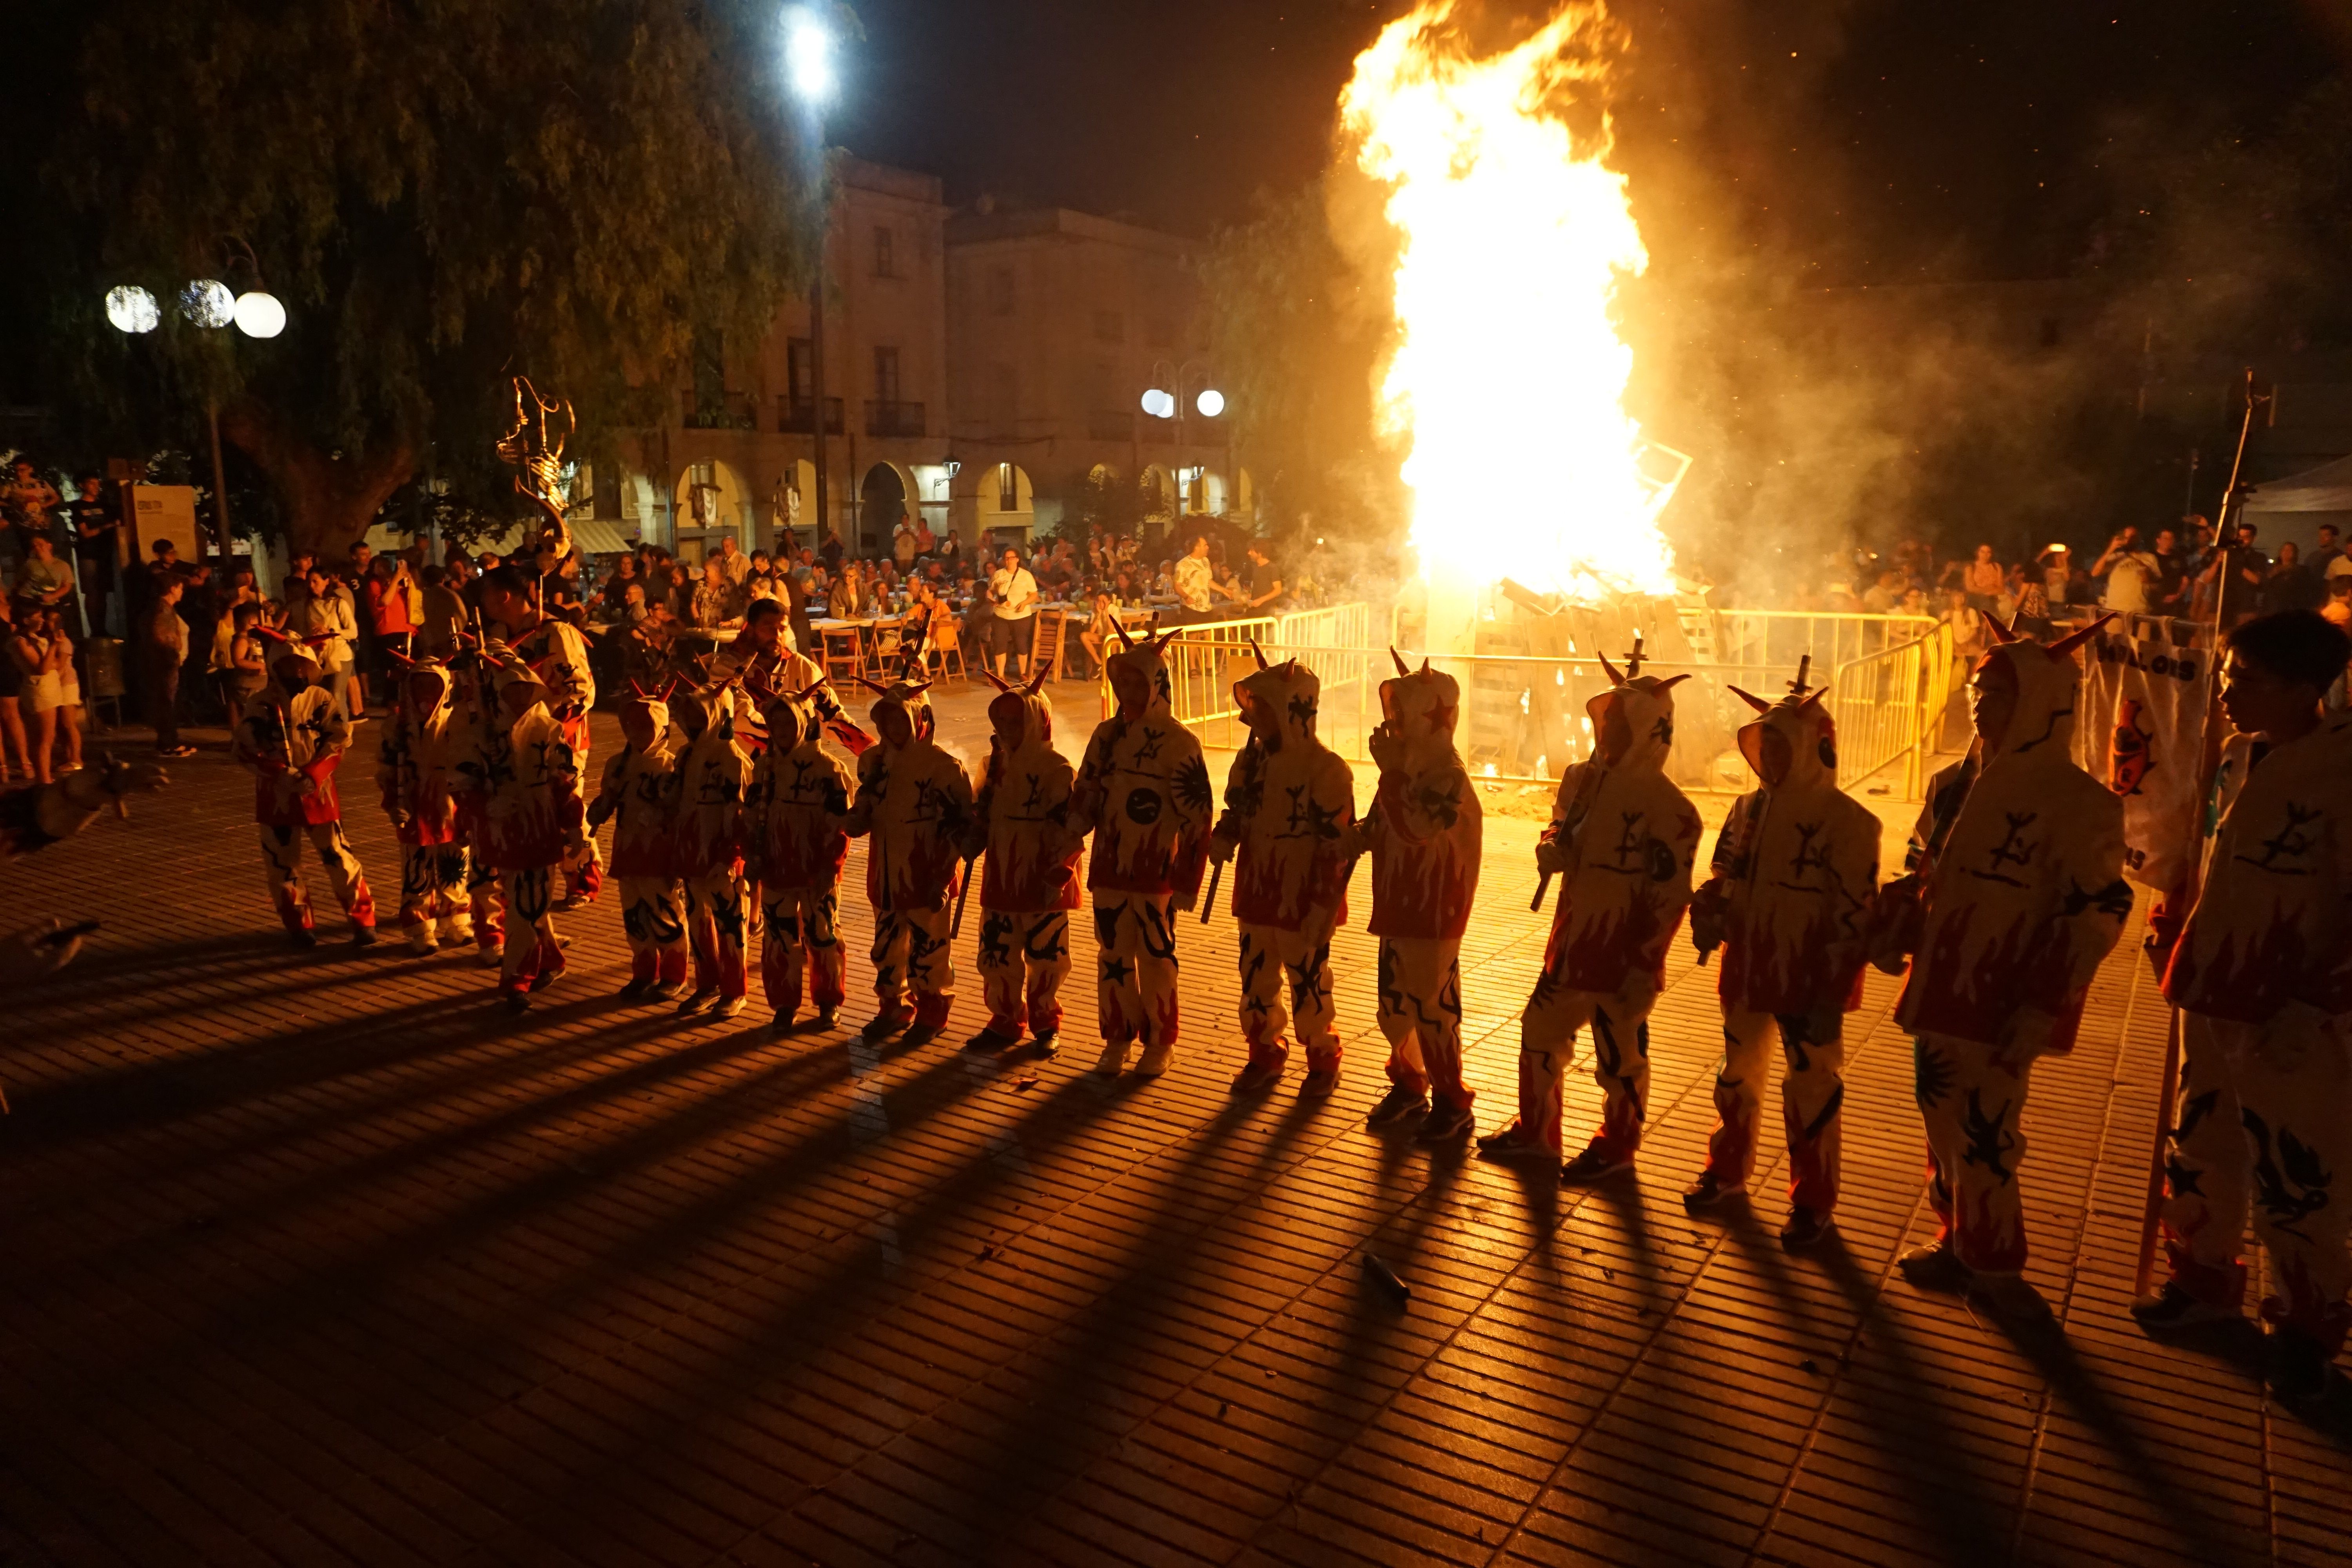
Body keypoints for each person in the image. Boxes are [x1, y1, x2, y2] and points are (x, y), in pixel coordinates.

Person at [1873, 615, 2127, 1322]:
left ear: (2045, 703)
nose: (1979, 705)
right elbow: (1922, 866)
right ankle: (1957, 1239)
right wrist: (1893, 924)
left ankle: (1998, 1265)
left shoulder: (2079, 803)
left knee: (1988, 1129)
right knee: (1941, 1117)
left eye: (1999, 695)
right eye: (1978, 690)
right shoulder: (1953, 782)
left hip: (2005, 993)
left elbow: (2097, 910)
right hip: (1939, 986)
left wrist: (2044, 1003)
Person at [2137, 610, 2352, 1403]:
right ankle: (2201, 1276)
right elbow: (2207, 855)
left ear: (2305, 689)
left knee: (2300, 1172)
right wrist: (2173, 921)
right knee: (2202, 1138)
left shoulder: (2341, 769)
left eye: (2247, 679)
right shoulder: (2236, 756)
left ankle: (2306, 1327)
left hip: (2297, 1011)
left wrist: (2316, 997)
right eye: (2227, 673)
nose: (2227, 691)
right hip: (2215, 986)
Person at [1479, 653, 1701, 1178]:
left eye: (1622, 724)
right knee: (1539, 1030)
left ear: (1652, 731)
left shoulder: (1673, 810)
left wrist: (1645, 964)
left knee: (1619, 1053)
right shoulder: (1582, 778)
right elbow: (1558, 826)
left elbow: (1670, 895)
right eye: (1606, 721)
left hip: (1621, 948)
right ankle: (1537, 1131)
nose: (1608, 733)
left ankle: (1617, 1146)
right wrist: (1550, 846)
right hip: (1573, 935)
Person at [1682, 672, 1879, 1249]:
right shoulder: (1746, 808)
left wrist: (1834, 989)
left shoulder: (1851, 823)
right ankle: (1726, 1170)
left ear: (1813, 746)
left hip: (1809, 973)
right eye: (1762, 745)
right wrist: (1712, 908)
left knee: (1812, 1086)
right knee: (1737, 1072)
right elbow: (1725, 873)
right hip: (1748, 963)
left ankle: (1814, 1200)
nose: (1768, 756)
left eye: (1780, 746)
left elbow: (1854, 915)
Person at [1209, 650, 1357, 1096]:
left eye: (1265, 710)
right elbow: (1238, 808)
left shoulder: (1327, 770)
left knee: (1309, 980)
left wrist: (1324, 904)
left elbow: (1339, 847)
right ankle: (1264, 1050)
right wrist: (1225, 834)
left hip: (1303, 896)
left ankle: (1323, 1056)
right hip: (1257, 888)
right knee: (1256, 977)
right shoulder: (1252, 762)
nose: (1254, 720)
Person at [1070, 623, 1212, 1077]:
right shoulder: (1106, 736)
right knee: (1112, 954)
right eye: (1123, 682)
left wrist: (1189, 878)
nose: (1129, 690)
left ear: (1158, 686)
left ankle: (1159, 1039)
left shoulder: (1179, 742)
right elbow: (1085, 794)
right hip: (1110, 864)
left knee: (1156, 955)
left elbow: (1198, 815)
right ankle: (1116, 1037)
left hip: (1157, 869)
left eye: (1138, 682)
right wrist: (1066, 845)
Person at [1352, 653, 1483, 1141]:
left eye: (1404, 714)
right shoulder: (1405, 768)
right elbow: (1384, 820)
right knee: (1394, 1005)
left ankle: (1452, 1098)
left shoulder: (1450, 776)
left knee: (1434, 1006)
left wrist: (1390, 775)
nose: (1394, 724)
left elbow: (1419, 828)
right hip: (1398, 905)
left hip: (1434, 909)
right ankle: (1409, 1083)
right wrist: (1358, 836)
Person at [843, 675, 972, 1044]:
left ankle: (932, 1011)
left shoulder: (943, 766)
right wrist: (854, 818)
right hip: (884, 875)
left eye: (901, 718)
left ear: (920, 718)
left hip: (927, 874)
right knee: (886, 946)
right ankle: (892, 1007)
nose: (893, 727)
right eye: (886, 720)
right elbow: (866, 809)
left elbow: (958, 827)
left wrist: (944, 876)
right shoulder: (873, 761)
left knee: (929, 948)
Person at [962, 669, 1084, 1056]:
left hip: (1041, 875)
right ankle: (1004, 1017)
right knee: (996, 953)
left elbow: (1070, 829)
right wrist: (972, 839)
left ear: (1037, 720)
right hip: (1001, 873)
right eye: (1002, 722)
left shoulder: (1057, 769)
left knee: (1047, 954)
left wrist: (1059, 873)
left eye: (1017, 722)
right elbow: (983, 812)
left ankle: (1046, 1020)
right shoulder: (993, 765)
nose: (1008, 729)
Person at [232, 635, 379, 947]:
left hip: (318, 791)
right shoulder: (259, 703)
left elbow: (339, 738)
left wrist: (314, 773)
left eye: (302, 665)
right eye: (289, 665)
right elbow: (244, 746)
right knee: (281, 862)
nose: (296, 672)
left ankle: (362, 920)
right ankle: (299, 925)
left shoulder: (321, 699)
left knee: (338, 856)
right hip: (277, 794)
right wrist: (278, 772)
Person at [468, 642, 586, 1009]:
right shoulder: (481, 729)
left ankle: (517, 980)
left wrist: (573, 826)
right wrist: (484, 805)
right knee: (524, 900)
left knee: (528, 902)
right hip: (501, 824)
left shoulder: (549, 729)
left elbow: (564, 779)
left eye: (526, 687)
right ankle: (549, 959)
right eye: (511, 687)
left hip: (540, 822)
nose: (520, 694)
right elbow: (461, 777)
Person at [477, 563, 601, 906]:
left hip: (561, 736)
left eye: (486, 593)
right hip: (516, 739)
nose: (482, 601)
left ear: (504, 595)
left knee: (566, 808)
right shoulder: (498, 637)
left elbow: (581, 690)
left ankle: (583, 878)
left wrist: (553, 727)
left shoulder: (555, 633)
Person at [745, 676, 852, 1033]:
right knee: (779, 938)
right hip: (776, 868)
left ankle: (827, 1000)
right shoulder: (765, 767)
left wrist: (831, 867)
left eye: (789, 722)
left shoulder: (828, 769)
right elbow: (749, 817)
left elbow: (840, 825)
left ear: (805, 722)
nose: (781, 729)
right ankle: (784, 1002)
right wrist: (751, 856)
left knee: (823, 935)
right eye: (775, 722)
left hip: (816, 871)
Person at [589, 679, 689, 1004]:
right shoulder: (617, 764)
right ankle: (643, 970)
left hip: (658, 850)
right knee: (634, 913)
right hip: (627, 847)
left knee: (665, 911)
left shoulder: (672, 765)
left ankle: (674, 974)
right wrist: (601, 806)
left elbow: (678, 810)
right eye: (630, 725)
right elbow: (603, 805)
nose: (636, 732)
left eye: (645, 725)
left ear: (661, 727)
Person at [665, 675, 758, 1020]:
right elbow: (677, 805)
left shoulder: (732, 759)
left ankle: (735, 990)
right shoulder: (686, 754)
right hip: (691, 854)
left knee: (732, 926)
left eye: (700, 717)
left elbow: (742, 814)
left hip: (721, 856)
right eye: (688, 717)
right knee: (698, 921)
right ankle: (707, 984)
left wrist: (732, 855)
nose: (691, 724)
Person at [376, 655, 472, 955]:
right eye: (421, 687)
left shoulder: (456, 721)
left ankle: (456, 919)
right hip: (415, 801)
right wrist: (392, 802)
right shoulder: (397, 727)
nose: (427, 694)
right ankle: (419, 924)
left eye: (434, 686)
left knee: (454, 864)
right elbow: (387, 767)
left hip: (448, 803)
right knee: (416, 868)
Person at [140, 573, 196, 759]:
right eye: (180, 588)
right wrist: (172, 655)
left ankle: (170, 741)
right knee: (166, 702)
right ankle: (168, 744)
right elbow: (161, 635)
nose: (182, 592)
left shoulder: (164, 608)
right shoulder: (162, 610)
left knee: (168, 702)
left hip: (167, 663)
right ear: (172, 588)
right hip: (165, 664)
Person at [66, 475, 120, 634]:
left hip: (105, 552)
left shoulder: (105, 506)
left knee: (103, 593)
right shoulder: (78, 506)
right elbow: (85, 533)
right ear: (82, 485)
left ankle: (102, 629)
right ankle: (94, 630)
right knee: (92, 593)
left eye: (98, 483)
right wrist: (106, 527)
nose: (96, 486)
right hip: (88, 553)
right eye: (92, 483)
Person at [986, 546, 1038, 678]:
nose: (1009, 561)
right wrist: (991, 598)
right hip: (1001, 614)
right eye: (1006, 558)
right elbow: (990, 590)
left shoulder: (1026, 575)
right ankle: (1000, 675)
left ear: (1018, 559)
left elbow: (1034, 595)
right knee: (1000, 644)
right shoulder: (998, 574)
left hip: (1021, 615)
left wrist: (1024, 603)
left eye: (1012, 558)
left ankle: (1023, 673)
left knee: (1021, 644)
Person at [2093, 528, 2161, 614]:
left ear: (2139, 539)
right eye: (2126, 538)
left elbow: (2159, 585)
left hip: (2141, 610)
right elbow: (2095, 573)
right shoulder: (2116, 557)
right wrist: (2111, 549)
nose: (2129, 540)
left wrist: (2149, 579)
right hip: (2115, 610)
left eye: (2133, 537)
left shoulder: (2149, 558)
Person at [2259, 541, 2324, 615]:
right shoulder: (2272, 570)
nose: (2286, 552)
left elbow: (2309, 590)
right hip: (2273, 610)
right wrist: (2273, 573)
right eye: (2284, 550)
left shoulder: (2302, 571)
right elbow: (2263, 586)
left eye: (2290, 550)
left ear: (2295, 554)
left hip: (2294, 610)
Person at [1172, 535, 1214, 619]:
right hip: (1191, 608)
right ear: (1197, 548)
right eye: (1205, 545)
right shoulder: (1183, 564)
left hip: (1206, 608)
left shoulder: (1206, 561)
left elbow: (1209, 581)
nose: (1208, 547)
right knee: (1194, 633)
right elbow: (1176, 585)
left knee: (1209, 633)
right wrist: (1186, 597)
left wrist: (1224, 590)